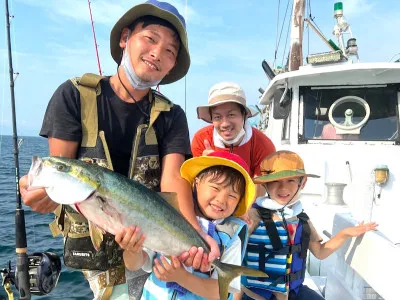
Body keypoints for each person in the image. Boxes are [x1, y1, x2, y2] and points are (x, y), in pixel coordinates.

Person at [18, 1, 218, 298]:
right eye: (150, 39)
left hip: (150, 241)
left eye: (170, 51)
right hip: (95, 254)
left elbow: (173, 182)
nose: (157, 54)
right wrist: (42, 189)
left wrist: (195, 234)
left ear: (173, 64)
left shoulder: (171, 116)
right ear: (125, 38)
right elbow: (60, 166)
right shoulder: (74, 96)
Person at [116, 151, 256, 299]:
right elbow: (135, 264)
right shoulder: (169, 215)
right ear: (197, 182)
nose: (221, 200)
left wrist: (182, 277)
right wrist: (132, 251)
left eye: (232, 196)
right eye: (215, 188)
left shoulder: (232, 234)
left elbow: (221, 293)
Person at [240, 150, 378, 300]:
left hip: (294, 292)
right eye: (275, 181)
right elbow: (234, 245)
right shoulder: (254, 215)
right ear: (265, 185)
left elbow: (320, 252)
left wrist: (344, 234)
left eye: (290, 180)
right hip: (258, 294)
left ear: (302, 182)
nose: (283, 188)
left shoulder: (301, 218)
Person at [191, 82, 276, 197]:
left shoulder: (263, 144)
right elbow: (195, 188)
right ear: (211, 119)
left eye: (231, 115)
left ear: (244, 116)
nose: (225, 124)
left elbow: (258, 194)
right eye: (217, 117)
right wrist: (206, 168)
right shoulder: (201, 139)